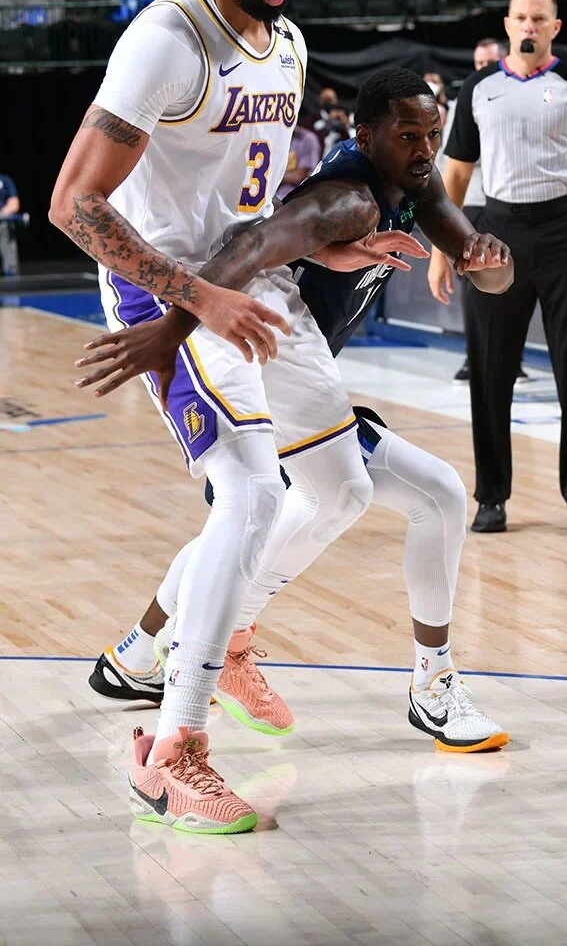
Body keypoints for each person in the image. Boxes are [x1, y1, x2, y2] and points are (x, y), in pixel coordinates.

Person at [78, 68, 514, 755]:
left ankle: (137, 656)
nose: (426, 147)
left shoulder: (416, 182)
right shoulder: (347, 199)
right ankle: (237, 654)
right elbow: (251, 247)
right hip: (257, 356)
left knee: (293, 510)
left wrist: (488, 256)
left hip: (301, 367)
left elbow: (491, 274)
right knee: (292, 503)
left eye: (433, 133)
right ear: (366, 137)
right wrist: (171, 331)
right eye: (410, 135)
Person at [49, 0, 354, 836]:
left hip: (249, 279)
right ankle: (172, 747)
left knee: (342, 487)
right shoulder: (168, 40)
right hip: (170, 291)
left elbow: (247, 197)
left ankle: (223, 633)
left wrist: (323, 244)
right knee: (253, 492)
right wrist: (198, 298)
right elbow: (75, 203)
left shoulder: (289, 41)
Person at [429, 0, 567, 535]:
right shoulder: (479, 87)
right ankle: (491, 497)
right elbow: (456, 173)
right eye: (521, 17)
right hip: (496, 233)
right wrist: (444, 249)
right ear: (508, 24)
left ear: (554, 28)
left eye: (539, 18)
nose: (529, 26)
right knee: (490, 371)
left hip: (565, 233)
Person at [437, 36, 529, 385]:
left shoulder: (525, 98)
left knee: (515, 285)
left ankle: (513, 359)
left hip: (516, 203)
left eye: (488, 63)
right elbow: (452, 163)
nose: (482, 70)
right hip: (475, 201)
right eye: (478, 63)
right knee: (476, 283)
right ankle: (474, 358)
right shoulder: (468, 99)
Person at [276, 114, 321, 199]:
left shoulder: (308, 139)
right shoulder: (276, 138)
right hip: (272, 194)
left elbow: (300, 176)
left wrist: (273, 179)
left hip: (294, 195)